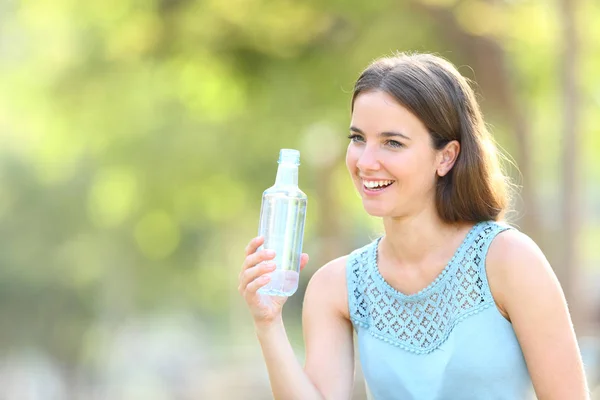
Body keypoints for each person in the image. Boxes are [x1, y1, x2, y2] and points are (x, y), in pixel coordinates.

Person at [237, 53, 589, 399]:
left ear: (446, 156)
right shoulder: (336, 286)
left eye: (392, 142)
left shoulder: (509, 260)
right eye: (358, 138)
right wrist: (268, 324)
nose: (366, 161)